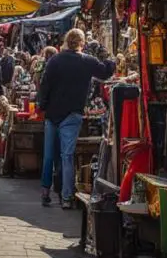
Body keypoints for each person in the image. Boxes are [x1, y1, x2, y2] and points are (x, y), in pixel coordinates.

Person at [38, 29, 115, 209]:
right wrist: (109, 58)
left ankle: (45, 193)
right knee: (67, 156)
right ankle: (66, 197)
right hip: (72, 113)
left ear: (66, 41)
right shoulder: (87, 60)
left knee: (48, 156)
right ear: (81, 42)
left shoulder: (55, 60)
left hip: (52, 113)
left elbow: (45, 85)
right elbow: (105, 72)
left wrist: (42, 106)